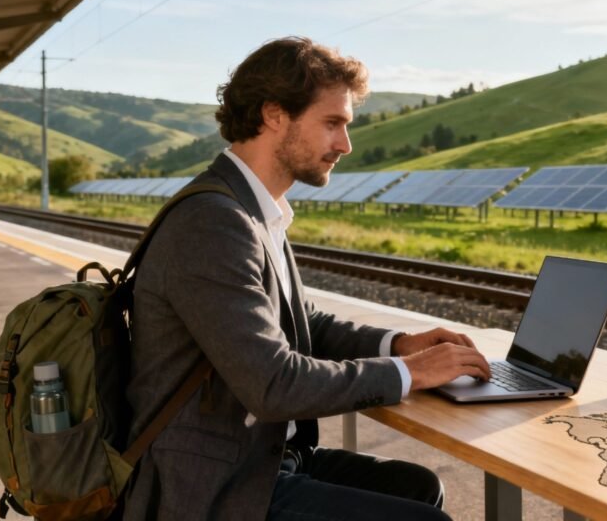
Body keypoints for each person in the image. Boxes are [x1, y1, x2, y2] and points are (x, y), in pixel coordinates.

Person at [124, 36, 491, 520]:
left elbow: (302, 325)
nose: (345, 144)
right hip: (212, 486)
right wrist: (414, 374)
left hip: (264, 457)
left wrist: (400, 346)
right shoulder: (212, 222)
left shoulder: (256, 211)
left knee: (416, 487)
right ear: (275, 115)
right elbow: (274, 384)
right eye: (333, 123)